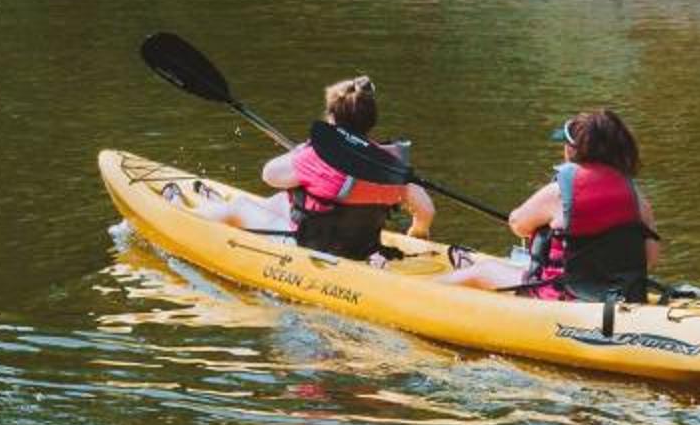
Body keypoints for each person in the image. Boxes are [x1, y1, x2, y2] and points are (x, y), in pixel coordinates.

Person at [187, 75, 435, 259]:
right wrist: (418, 231)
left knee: (239, 207)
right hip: (362, 249)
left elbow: (270, 175)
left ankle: (183, 221)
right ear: (371, 121)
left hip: (309, 250)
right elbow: (426, 210)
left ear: (331, 118)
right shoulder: (391, 165)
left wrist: (303, 150)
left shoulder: (314, 156)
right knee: (280, 201)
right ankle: (210, 206)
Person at [439, 109, 661, 299]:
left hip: (560, 295)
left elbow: (517, 224)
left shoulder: (560, 192)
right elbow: (650, 259)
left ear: (572, 150)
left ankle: (427, 292)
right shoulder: (638, 199)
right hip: (619, 295)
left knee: (482, 270)